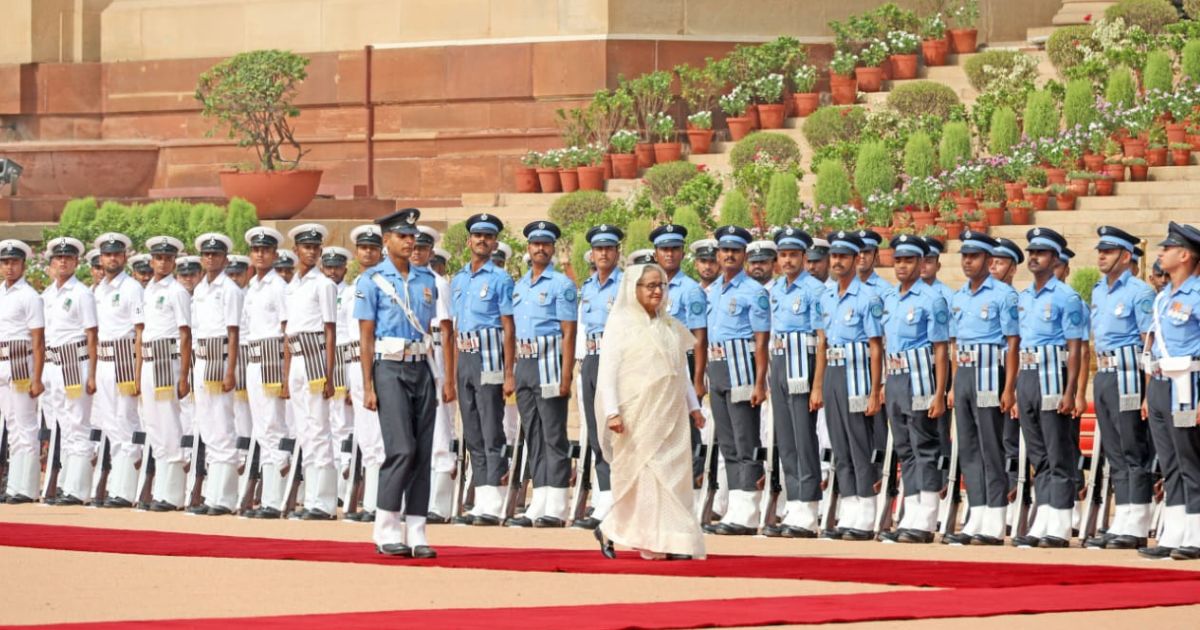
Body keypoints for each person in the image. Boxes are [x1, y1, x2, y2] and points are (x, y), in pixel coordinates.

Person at [594, 263, 706, 561]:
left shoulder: (670, 326)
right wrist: (612, 413)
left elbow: (679, 371)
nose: (657, 291)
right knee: (645, 477)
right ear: (634, 290)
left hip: (671, 415)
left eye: (661, 286)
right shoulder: (620, 324)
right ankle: (642, 538)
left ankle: (672, 539)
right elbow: (608, 374)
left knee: (673, 476)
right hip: (635, 415)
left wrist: (695, 407)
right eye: (650, 286)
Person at [355, 208, 441, 559]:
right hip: (389, 368)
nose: (409, 242)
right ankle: (386, 526)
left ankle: (417, 529)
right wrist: (368, 386)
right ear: (386, 240)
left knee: (422, 452)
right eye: (402, 236)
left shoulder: (427, 280)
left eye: (412, 236)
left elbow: (434, 329)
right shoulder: (372, 281)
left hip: (422, 366)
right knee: (401, 448)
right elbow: (365, 337)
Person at [1011, 228, 1088, 549]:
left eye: (1040, 253)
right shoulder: (1025, 297)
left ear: (1055, 259)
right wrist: (1014, 388)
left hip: (1053, 374)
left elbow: (1075, 348)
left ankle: (1058, 520)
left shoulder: (1066, 297)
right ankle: (1043, 516)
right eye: (1031, 252)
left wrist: (1071, 391)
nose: (1033, 257)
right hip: (1028, 375)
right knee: (1038, 453)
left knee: (1058, 451)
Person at [1080, 226, 1154, 550]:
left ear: (1125, 256)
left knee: (1132, 449)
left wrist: (1149, 390)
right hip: (1106, 373)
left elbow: (1148, 344)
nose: (1101, 256)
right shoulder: (1098, 291)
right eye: (1099, 251)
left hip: (1128, 372)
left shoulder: (1140, 292)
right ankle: (1122, 517)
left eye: (1108, 252)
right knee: (1114, 450)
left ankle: (1136, 522)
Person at [945, 231, 1020, 545]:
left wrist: (1010, 387)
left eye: (973, 256)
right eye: (964, 256)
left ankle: (995, 514)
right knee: (969, 447)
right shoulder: (958, 296)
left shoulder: (1004, 295)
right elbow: (953, 344)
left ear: (989, 261)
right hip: (963, 372)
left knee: (991, 445)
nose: (967, 261)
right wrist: (951, 385)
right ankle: (976, 512)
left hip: (991, 370)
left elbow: (1013, 343)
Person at [878, 235, 949, 544]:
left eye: (909, 260)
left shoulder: (932, 298)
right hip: (895, 378)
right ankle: (912, 509)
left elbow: (941, 349)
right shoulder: (891, 298)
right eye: (898, 260)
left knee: (924, 444)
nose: (902, 266)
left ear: (922, 263)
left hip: (920, 377)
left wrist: (939, 392)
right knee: (904, 448)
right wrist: (882, 382)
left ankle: (927, 515)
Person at [815, 231, 884, 540]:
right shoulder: (826, 296)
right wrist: (818, 386)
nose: (837, 262)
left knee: (859, 442)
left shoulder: (867, 297)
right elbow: (821, 343)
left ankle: (866, 510)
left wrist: (874, 390)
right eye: (834, 256)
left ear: (858, 260)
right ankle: (849, 506)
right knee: (839, 443)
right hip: (833, 370)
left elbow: (876, 346)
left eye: (844, 256)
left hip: (858, 376)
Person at [509, 220, 577, 527]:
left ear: (552, 248)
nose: (540, 248)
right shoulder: (520, 286)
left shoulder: (561, 284)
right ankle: (540, 500)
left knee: (553, 434)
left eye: (546, 244)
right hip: (524, 364)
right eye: (535, 243)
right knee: (533, 433)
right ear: (529, 248)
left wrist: (566, 375)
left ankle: (558, 502)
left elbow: (568, 331)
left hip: (550, 363)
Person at [1139, 223, 1200, 560]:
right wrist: (1149, 393)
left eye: (1167, 248)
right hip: (1162, 381)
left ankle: (1196, 532)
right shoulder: (1163, 298)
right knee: (1171, 461)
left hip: (1189, 383)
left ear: (1185, 255)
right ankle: (1175, 531)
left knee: (1191, 458)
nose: (1160, 253)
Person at [450, 214, 516, 526]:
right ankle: (480, 495)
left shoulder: (501, 279)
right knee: (471, 430)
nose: (482, 241)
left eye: (488, 237)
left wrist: (509, 372)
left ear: (494, 243)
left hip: (490, 357)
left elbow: (508, 326)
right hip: (464, 357)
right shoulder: (459, 279)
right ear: (469, 241)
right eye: (477, 235)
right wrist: (452, 374)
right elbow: (453, 327)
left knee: (492, 427)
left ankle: (493, 499)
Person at [705, 225, 769, 535]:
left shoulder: (754, 292)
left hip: (741, 367)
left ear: (743, 255)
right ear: (717, 254)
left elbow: (761, 340)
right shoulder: (713, 290)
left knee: (746, 440)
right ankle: (735, 503)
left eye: (735, 250)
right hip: (717, 368)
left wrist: (759, 382)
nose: (729, 255)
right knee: (727, 442)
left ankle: (749, 507)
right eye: (724, 250)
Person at [766, 227, 826, 538]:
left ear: (804, 257)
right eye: (783, 255)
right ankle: (794, 502)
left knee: (804, 436)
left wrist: (818, 385)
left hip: (804, 364)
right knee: (786, 439)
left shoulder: (816, 290)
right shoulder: (775, 289)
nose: (788, 260)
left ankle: (809, 506)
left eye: (793, 255)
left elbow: (822, 338)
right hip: (779, 364)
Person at [651, 224, 708, 507]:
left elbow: (699, 338)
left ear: (683, 252)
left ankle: (692, 493)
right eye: (664, 249)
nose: (670, 254)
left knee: (687, 431)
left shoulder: (690, 290)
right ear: (656, 253)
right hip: (656, 369)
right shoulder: (650, 287)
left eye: (674, 249)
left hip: (682, 365)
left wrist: (697, 379)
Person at [284, 224, 338, 520]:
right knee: (304, 431)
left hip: (317, 357)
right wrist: (286, 375)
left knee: (319, 429)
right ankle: (312, 497)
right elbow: (288, 333)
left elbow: (330, 331)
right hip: (297, 357)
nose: (312, 251)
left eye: (316, 247)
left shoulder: (325, 284)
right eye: (306, 247)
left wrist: (329, 374)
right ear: (296, 251)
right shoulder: (292, 286)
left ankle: (324, 502)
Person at [135, 236, 192, 511]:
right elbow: (141, 332)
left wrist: (183, 375)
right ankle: (161, 490)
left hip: (166, 360)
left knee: (169, 425)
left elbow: (185, 334)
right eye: (159, 258)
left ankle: (173, 494)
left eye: (168, 258)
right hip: (148, 360)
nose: (163, 262)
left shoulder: (177, 291)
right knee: (154, 426)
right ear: (151, 261)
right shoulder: (147, 290)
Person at [40, 237, 98, 505]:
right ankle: (64, 483)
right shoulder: (47, 296)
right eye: (58, 258)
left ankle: (78, 489)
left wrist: (92, 374)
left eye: (68, 258)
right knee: (58, 426)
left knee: (77, 425)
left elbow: (91, 334)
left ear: (76, 263)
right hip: (52, 365)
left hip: (75, 363)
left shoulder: (82, 293)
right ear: (51, 264)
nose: (62, 262)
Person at [188, 232, 243, 516]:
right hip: (202, 359)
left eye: (216, 255)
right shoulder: (200, 289)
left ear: (225, 259)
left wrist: (230, 370)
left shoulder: (230, 289)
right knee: (207, 426)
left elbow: (233, 333)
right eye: (207, 254)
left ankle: (224, 498)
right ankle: (212, 495)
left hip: (221, 359)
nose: (211, 258)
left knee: (222, 427)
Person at [574, 224, 625, 529]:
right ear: (591, 254)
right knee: (595, 433)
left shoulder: (626, 285)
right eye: (599, 249)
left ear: (618, 252)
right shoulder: (588, 287)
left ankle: (621, 497)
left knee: (617, 429)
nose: (603, 253)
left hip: (617, 360)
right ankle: (605, 494)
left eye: (609, 248)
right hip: (592, 358)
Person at [91, 232, 145, 508]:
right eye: (107, 254)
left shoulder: (132, 288)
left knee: (126, 422)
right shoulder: (99, 290)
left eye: (117, 254)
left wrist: (137, 373)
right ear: (101, 258)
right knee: (109, 423)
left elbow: (140, 332)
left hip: (125, 360)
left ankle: (125, 490)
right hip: (103, 360)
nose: (112, 258)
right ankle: (117, 485)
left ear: (125, 257)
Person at [340, 225, 385, 522]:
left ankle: (380, 503)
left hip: (377, 360)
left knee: (380, 434)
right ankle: (370, 502)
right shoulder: (351, 286)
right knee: (366, 435)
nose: (367, 252)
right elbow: (346, 334)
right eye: (363, 248)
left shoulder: (384, 282)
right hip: (353, 362)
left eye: (373, 247)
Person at [412, 225, 457, 523]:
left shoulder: (438, 283)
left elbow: (447, 329)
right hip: (415, 355)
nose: (417, 252)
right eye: (413, 247)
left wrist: (448, 377)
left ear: (431, 251)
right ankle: (417, 499)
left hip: (437, 354)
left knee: (441, 429)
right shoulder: (405, 281)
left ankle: (440, 504)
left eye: (422, 248)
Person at [0, 239, 45, 503]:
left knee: (24, 426)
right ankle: (13, 484)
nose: (9, 267)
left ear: (23, 265)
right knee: (9, 424)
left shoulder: (30, 296)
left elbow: (38, 341)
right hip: (2, 360)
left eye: (14, 262)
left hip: (21, 362)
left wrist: (36, 378)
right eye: (5, 262)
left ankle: (26, 487)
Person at [321, 245, 356, 504]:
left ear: (345, 268)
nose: (333, 271)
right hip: (323, 358)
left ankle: (346, 486)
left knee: (343, 423)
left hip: (344, 356)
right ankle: (330, 486)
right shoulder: (320, 289)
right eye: (329, 266)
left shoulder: (350, 293)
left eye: (337, 266)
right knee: (328, 423)